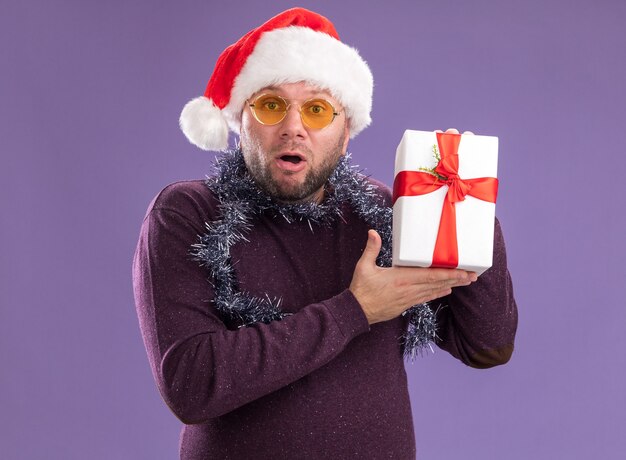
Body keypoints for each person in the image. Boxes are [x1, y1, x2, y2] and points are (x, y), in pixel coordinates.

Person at [132, 7, 517, 460]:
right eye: (271, 105)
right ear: (241, 120)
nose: (293, 126)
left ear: (345, 131)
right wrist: (355, 310)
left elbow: (487, 346)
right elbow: (191, 385)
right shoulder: (187, 212)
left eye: (317, 110)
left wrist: (466, 202)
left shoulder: (382, 211)